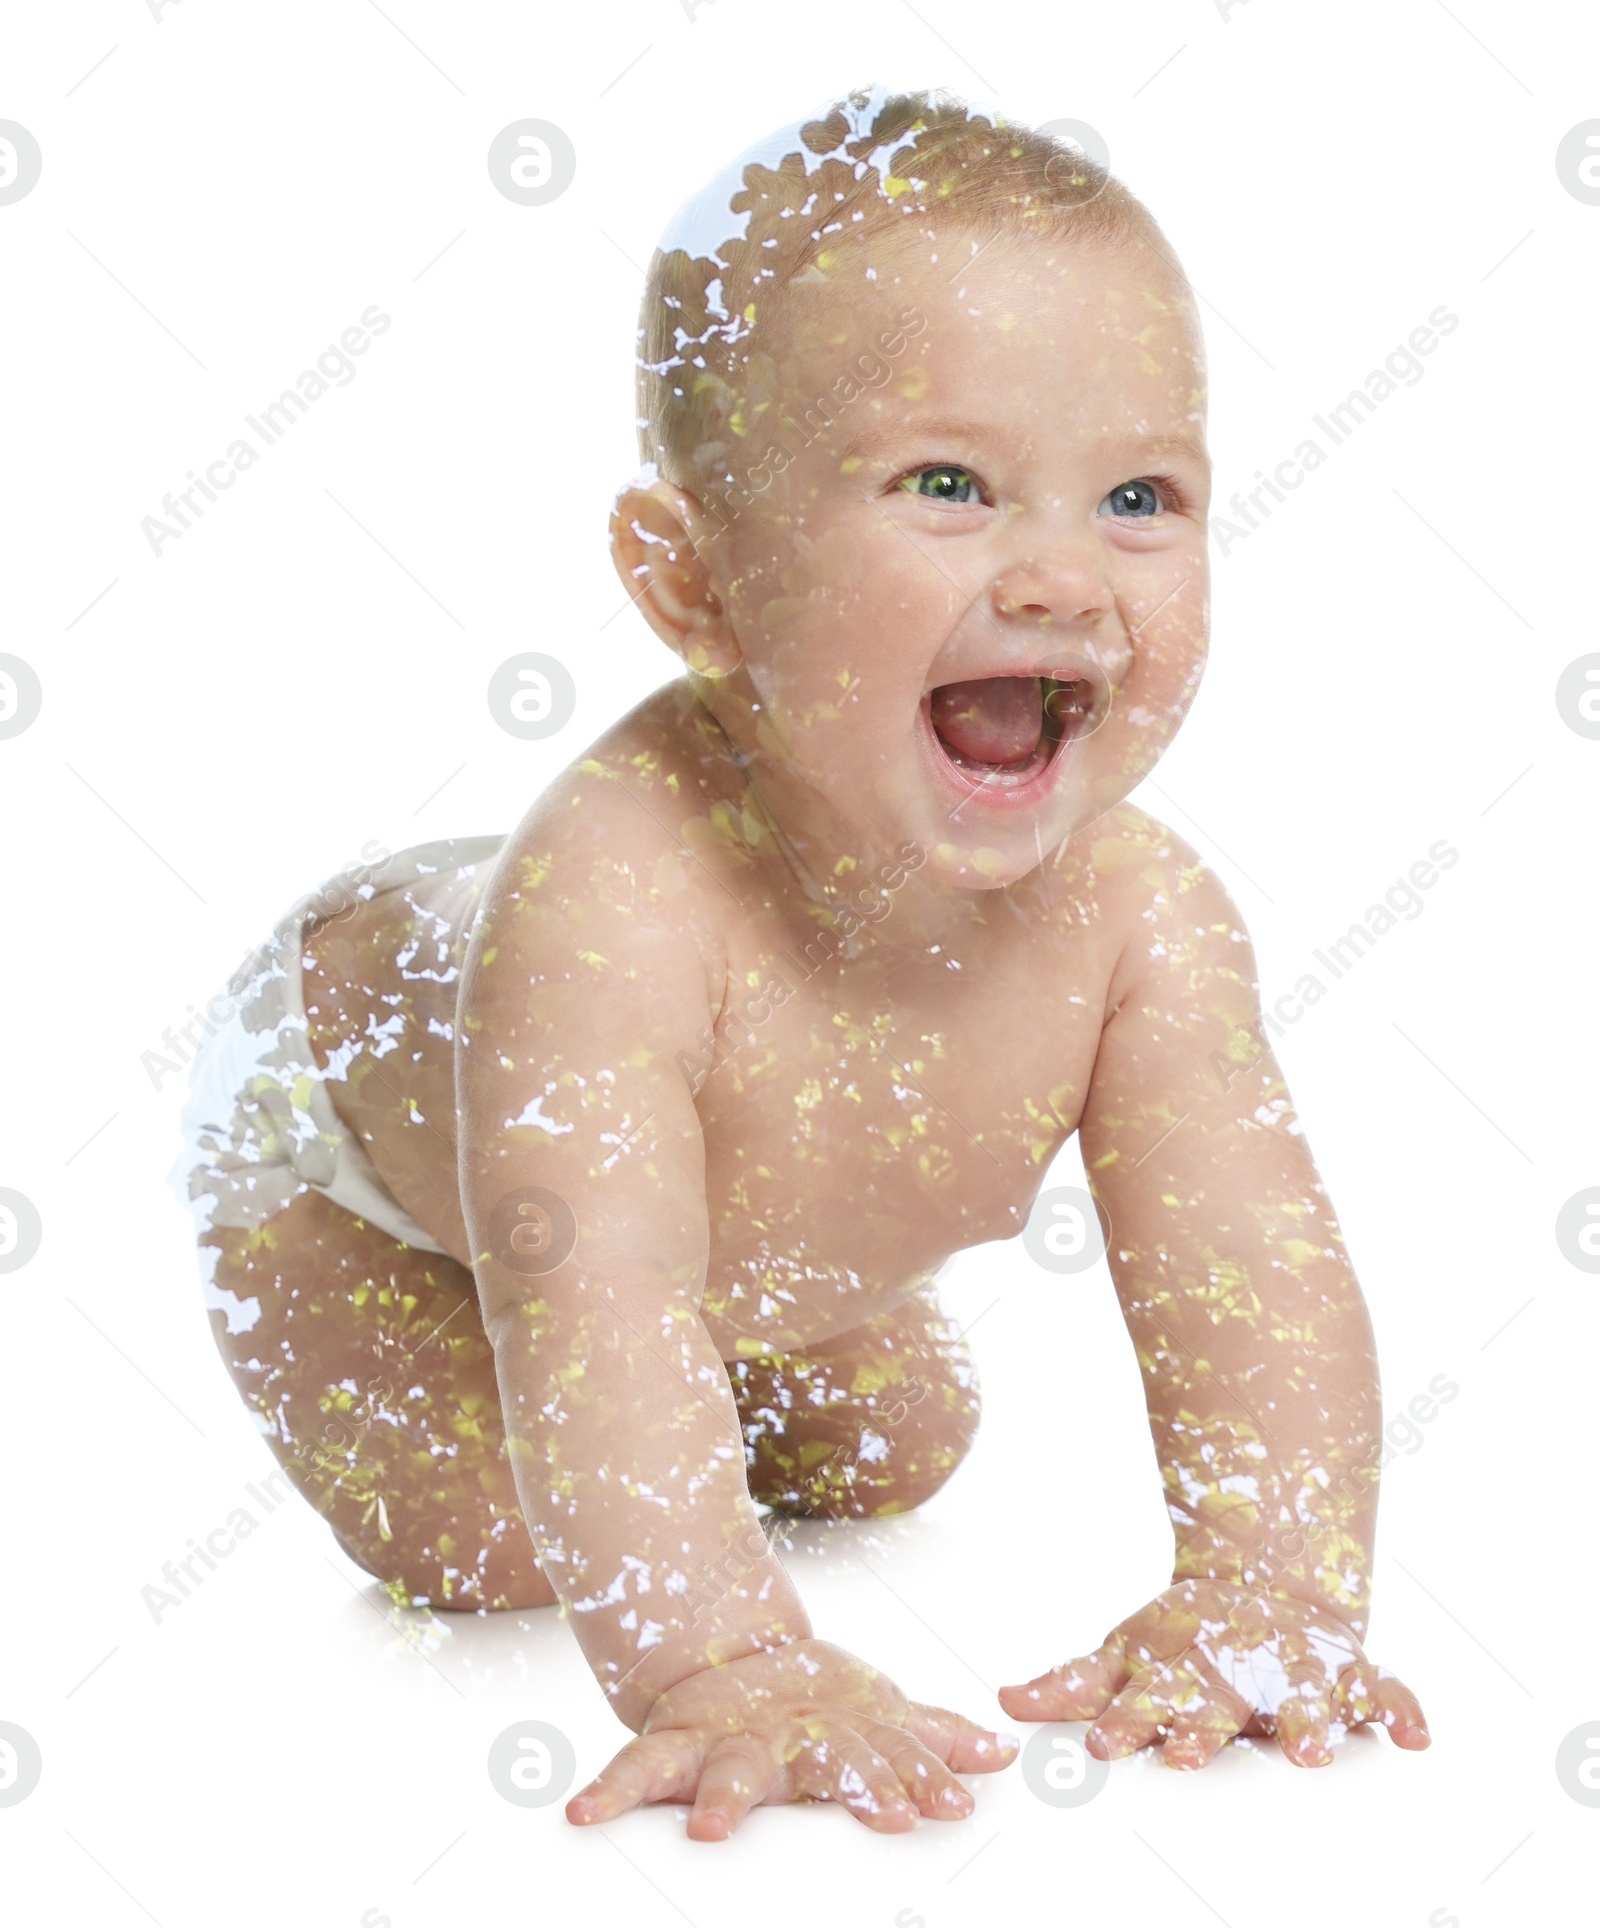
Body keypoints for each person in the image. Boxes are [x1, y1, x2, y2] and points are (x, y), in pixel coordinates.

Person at [174, 85, 1430, 1841]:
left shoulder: (1146, 918)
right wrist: (724, 1661)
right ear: (695, 585)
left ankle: (733, 1372)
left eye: (1140, 495)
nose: (1066, 575)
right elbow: (590, 1295)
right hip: (344, 1105)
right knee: (490, 1538)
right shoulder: (615, 894)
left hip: (725, 1208)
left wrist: (1273, 1588)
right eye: (949, 484)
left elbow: (1250, 1272)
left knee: (898, 1443)